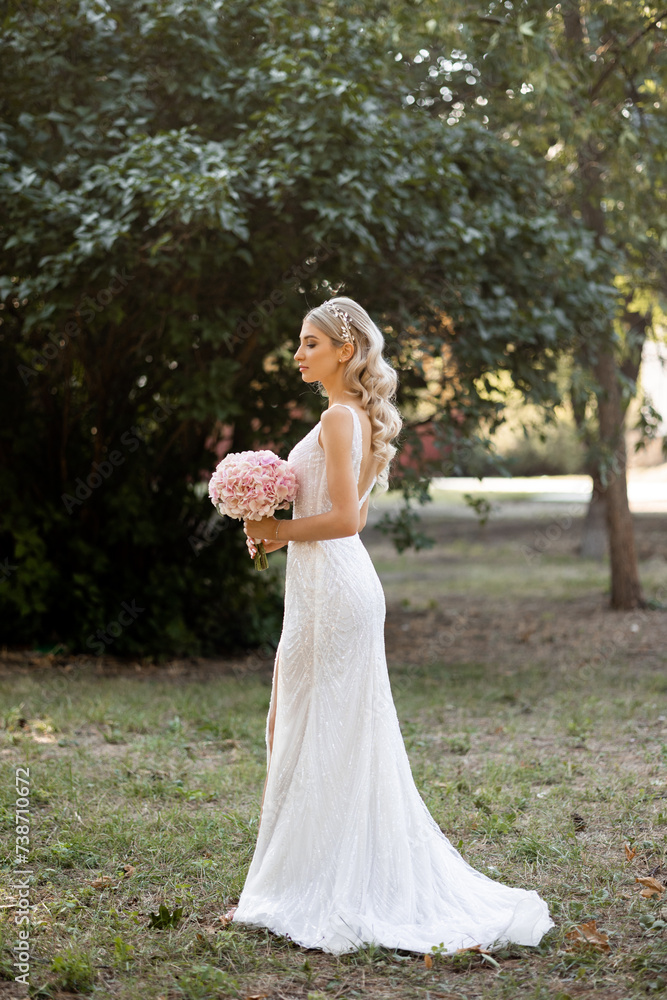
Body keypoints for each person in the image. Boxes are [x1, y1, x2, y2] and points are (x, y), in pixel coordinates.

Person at [228, 296, 554, 955]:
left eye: (309, 343)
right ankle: (300, 874)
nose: (297, 353)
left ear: (343, 351)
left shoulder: (339, 419)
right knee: (295, 719)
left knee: (317, 727)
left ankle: (322, 885)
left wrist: (276, 528)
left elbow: (348, 522)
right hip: (329, 581)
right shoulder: (352, 419)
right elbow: (352, 518)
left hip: (337, 586)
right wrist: (272, 535)